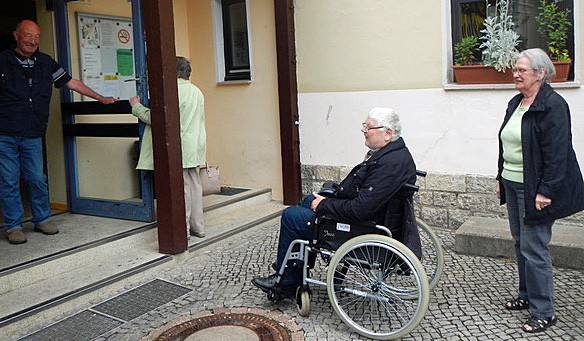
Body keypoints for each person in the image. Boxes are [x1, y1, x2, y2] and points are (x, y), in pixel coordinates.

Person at [252, 107, 417, 300]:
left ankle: (287, 282)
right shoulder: (393, 154)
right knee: (308, 201)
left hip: (365, 229)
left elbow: (361, 209)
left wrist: (324, 206)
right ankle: (294, 271)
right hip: (374, 217)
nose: (363, 130)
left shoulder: (389, 164)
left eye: (368, 127)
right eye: (364, 125)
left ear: (387, 133)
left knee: (291, 216)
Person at [0, 20, 115, 245]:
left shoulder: (45, 63)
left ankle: (42, 218)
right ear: (16, 35)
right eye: (27, 36)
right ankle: (13, 225)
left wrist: (100, 97)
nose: (33, 41)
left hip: (33, 132)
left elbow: (71, 82)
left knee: (37, 178)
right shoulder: (2, 61)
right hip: (5, 133)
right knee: (9, 180)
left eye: (37, 36)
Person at [497, 48, 584, 333]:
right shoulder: (516, 103)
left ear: (540, 73)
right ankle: (526, 295)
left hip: (534, 187)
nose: (516, 73)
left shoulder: (553, 105)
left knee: (535, 248)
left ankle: (544, 311)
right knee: (520, 243)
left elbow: (557, 154)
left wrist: (545, 190)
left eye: (522, 70)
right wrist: (501, 178)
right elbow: (506, 143)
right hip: (512, 182)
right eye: (515, 69)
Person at [129, 57, 207, 238]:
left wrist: (137, 107)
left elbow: (159, 120)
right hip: (195, 145)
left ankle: (183, 230)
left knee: (182, 189)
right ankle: (198, 227)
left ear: (175, 73)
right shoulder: (196, 91)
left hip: (178, 147)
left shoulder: (172, 92)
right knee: (195, 187)